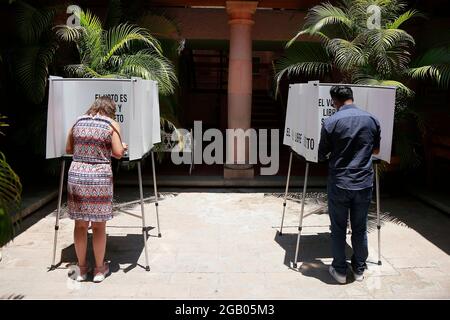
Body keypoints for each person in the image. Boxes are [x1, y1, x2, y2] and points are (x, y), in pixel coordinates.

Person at [318, 85, 381, 284]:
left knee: (338, 228)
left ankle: (340, 271)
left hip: (340, 182)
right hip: (363, 182)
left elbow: (321, 155)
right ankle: (359, 269)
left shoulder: (331, 122)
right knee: (360, 228)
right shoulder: (371, 120)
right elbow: (376, 151)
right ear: (352, 98)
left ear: (334, 101)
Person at [65, 96, 127, 282]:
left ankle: (82, 269)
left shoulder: (77, 121)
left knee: (80, 224)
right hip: (99, 178)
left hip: (77, 176)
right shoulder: (111, 125)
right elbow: (117, 153)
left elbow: (69, 149)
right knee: (99, 226)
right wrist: (122, 147)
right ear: (110, 110)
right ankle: (100, 270)